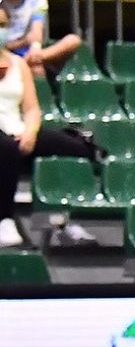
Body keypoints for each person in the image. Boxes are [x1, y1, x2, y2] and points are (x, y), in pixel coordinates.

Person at [0, 13, 98, 248]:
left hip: (18, 131)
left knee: (77, 148)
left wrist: (30, 133)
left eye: (3, 24)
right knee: (5, 149)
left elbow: (32, 109)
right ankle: (3, 219)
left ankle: (62, 220)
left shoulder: (18, 63)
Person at [1, 0, 82, 77]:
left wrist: (34, 51)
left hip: (30, 54)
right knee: (35, 69)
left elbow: (36, 34)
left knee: (73, 40)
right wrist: (19, 43)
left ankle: (33, 60)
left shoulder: (37, 0)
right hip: (4, 53)